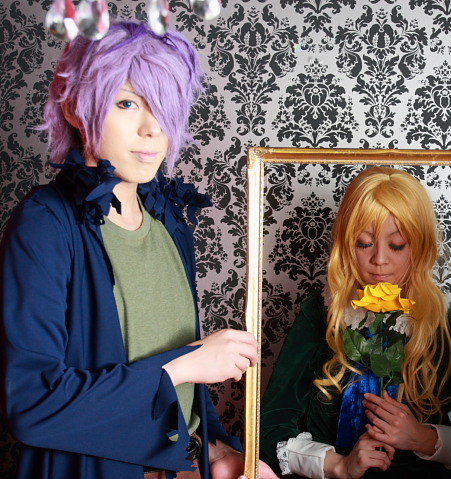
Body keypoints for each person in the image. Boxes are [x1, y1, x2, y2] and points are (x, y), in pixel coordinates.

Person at [0, 21, 277, 479]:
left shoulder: (168, 218)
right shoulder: (44, 225)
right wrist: (183, 364)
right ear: (74, 107)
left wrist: (217, 454)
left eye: (163, 105)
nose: (153, 128)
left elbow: (184, 391)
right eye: (127, 103)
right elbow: (33, 405)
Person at [259, 166, 451, 478]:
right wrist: (340, 465)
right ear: (346, 245)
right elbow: (270, 429)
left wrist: (422, 437)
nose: (379, 260)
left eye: (397, 245)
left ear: (421, 246)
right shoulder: (320, 318)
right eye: (364, 243)